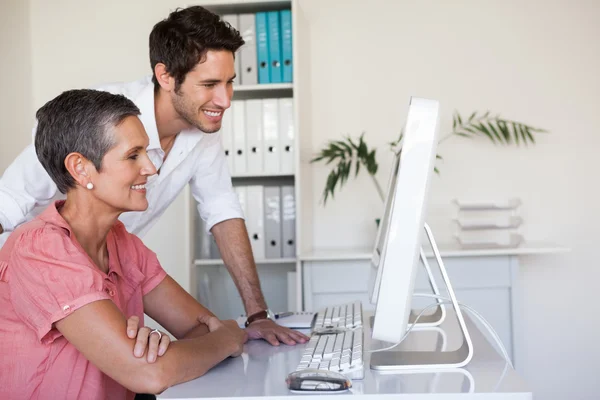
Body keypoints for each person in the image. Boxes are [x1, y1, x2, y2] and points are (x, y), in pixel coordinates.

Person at [0, 6, 308, 346]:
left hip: (107, 274)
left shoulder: (202, 132)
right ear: (165, 76)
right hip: (38, 287)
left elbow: (222, 210)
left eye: (229, 82)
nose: (225, 100)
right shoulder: (95, 120)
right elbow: (7, 203)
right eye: (209, 84)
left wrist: (258, 316)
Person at [0, 89, 248, 399]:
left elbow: (199, 327)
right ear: (80, 168)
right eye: (133, 155)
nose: (151, 168)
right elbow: (151, 373)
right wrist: (225, 340)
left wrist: (170, 350)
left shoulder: (123, 243)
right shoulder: (40, 250)